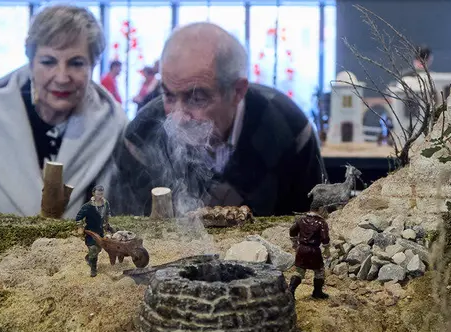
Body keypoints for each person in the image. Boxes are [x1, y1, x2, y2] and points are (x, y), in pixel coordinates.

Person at [0, 5, 127, 218]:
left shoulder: (113, 123)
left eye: (76, 63)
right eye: (48, 62)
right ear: (31, 62)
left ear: (93, 64)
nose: (61, 77)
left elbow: (124, 215)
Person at [110, 23, 325, 217]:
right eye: (168, 95)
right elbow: (125, 227)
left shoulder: (289, 130)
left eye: (196, 98)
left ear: (237, 91)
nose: (177, 117)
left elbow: (314, 223)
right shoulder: (140, 137)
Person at [289, 203, 331, 300]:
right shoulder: (321, 222)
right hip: (314, 250)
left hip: (302, 249)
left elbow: (292, 230)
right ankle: (317, 292)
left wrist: (295, 243)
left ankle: (291, 290)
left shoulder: (301, 219)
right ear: (319, 209)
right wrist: (327, 249)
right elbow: (325, 238)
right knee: (319, 271)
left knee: (299, 271)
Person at [75, 187, 112, 277]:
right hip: (90, 232)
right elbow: (78, 217)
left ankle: (89, 257)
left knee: (99, 248)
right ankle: (93, 269)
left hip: (100, 231)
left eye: (101, 194)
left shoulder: (106, 204)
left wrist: (107, 225)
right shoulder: (87, 206)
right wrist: (80, 227)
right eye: (98, 194)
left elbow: (107, 214)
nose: (100, 196)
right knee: (93, 249)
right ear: (93, 193)